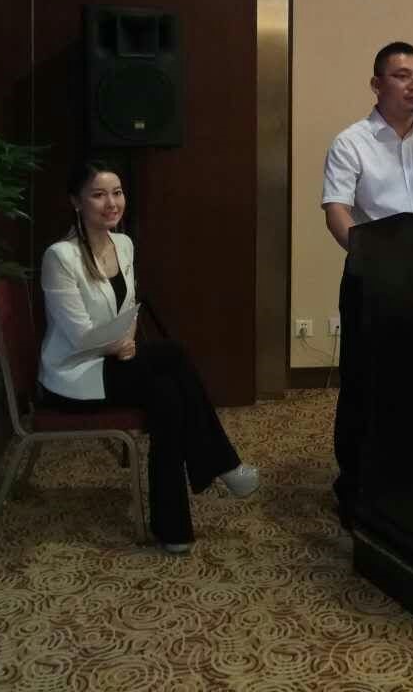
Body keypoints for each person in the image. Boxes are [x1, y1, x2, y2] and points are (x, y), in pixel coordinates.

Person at [40, 158, 260, 554]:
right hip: (73, 374)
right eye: (98, 195)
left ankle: (173, 528)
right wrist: (118, 345)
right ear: (76, 201)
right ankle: (220, 463)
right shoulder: (60, 257)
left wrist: (125, 341)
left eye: (117, 193)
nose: (111, 203)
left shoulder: (123, 244)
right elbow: (77, 337)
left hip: (115, 359)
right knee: (173, 355)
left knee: (168, 397)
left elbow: (127, 311)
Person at [321, 41, 413, 529]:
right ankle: (355, 489)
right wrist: (367, 257)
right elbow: (336, 209)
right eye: (402, 76)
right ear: (377, 84)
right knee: (365, 384)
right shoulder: (352, 142)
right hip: (376, 279)